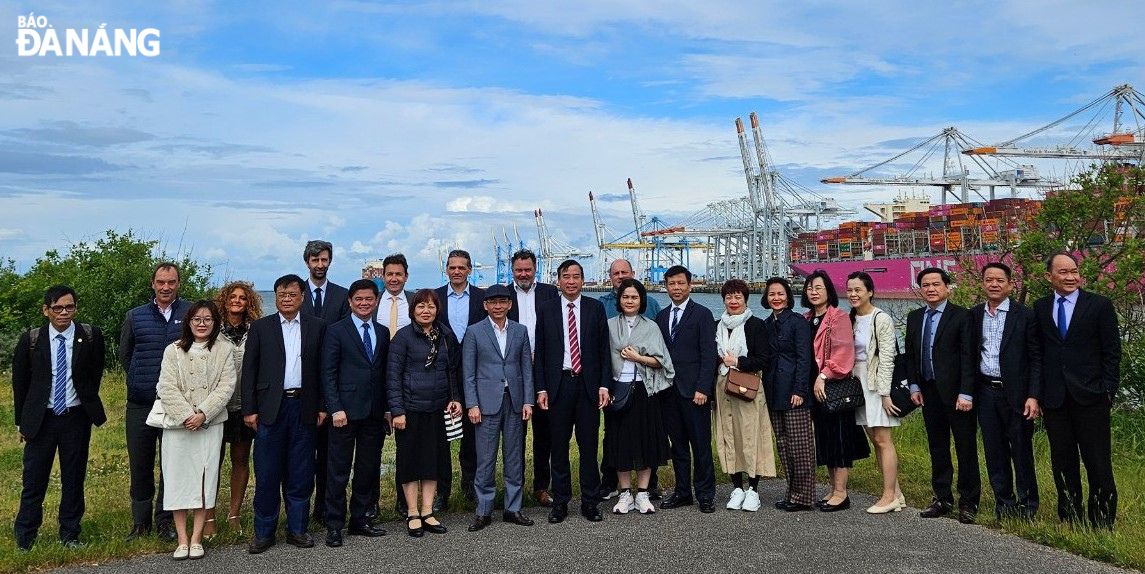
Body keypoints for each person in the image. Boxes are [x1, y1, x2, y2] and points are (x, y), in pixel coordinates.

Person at [12, 285, 107, 551]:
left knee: (73, 477)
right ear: (46, 310)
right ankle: (25, 537)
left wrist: (87, 404)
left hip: (75, 417)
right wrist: (22, 422)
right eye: (57, 308)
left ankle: (70, 534)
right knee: (34, 479)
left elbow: (94, 373)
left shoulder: (89, 336)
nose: (64, 313)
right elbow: (20, 384)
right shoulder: (31, 339)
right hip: (41, 419)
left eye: (69, 307)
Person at [1032, 252, 1120, 528]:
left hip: (1091, 397)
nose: (1071, 277)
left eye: (1074, 271)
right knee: (1063, 461)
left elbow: (1112, 353)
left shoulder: (1099, 305)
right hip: (1056, 399)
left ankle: (1102, 521)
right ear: (1049, 277)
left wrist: (1107, 390)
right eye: (1063, 272)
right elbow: (1038, 353)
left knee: (1098, 462)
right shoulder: (1041, 307)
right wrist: (1039, 393)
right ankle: (1069, 516)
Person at [242, 274, 328, 554]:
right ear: (275, 296)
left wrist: (323, 406)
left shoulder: (317, 327)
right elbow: (250, 371)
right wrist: (250, 409)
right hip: (270, 409)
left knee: (301, 472)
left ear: (303, 297)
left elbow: (324, 371)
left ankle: (297, 529)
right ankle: (264, 532)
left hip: (304, 407)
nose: (286, 298)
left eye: (292, 294)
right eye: (281, 294)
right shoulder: (260, 327)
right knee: (267, 472)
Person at [156, 301, 237, 560]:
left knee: (204, 478)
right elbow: (165, 386)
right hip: (178, 426)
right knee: (178, 478)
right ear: (188, 322)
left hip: (210, 424)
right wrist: (186, 416)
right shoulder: (173, 350)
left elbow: (226, 387)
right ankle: (181, 539)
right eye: (197, 319)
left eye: (208, 319)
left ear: (215, 323)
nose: (202, 324)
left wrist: (202, 414)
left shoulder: (225, 350)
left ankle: (197, 537)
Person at [533, 259, 612, 523]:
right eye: (566, 276)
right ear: (558, 280)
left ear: (582, 280)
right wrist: (541, 387)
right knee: (558, 447)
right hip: (558, 385)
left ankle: (590, 502)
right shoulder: (546, 309)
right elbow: (541, 352)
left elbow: (603, 351)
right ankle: (561, 502)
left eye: (576, 276)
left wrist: (604, 385)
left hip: (588, 386)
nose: (571, 281)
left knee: (588, 446)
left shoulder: (595, 308)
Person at [120, 262, 192, 541]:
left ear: (178, 283)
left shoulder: (189, 313)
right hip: (141, 403)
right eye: (161, 282)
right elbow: (126, 355)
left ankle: (165, 520)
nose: (166, 287)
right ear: (153, 283)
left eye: (171, 282)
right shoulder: (135, 316)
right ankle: (140, 523)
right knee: (140, 463)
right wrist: (140, 380)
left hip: (176, 404)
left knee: (170, 465)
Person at [906, 267, 979, 524]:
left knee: (965, 447)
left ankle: (968, 501)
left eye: (936, 284)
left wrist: (967, 392)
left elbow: (969, 357)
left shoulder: (962, 316)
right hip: (928, 392)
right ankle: (942, 497)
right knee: (937, 447)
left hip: (958, 394)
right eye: (926, 285)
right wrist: (913, 387)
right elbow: (912, 357)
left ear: (947, 287)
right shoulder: (915, 318)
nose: (931, 289)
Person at [387, 289, 463, 537]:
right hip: (409, 410)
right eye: (421, 306)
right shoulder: (403, 337)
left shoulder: (445, 336)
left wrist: (454, 398)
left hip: (436, 408)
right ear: (413, 310)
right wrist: (397, 410)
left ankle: (428, 511)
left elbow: (451, 370)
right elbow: (393, 376)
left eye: (430, 306)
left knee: (432, 462)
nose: (426, 310)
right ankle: (412, 512)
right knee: (410, 462)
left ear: (437, 310)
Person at [321, 279, 391, 547]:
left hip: (373, 413)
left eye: (369, 299)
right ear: (350, 302)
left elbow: (383, 373)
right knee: (338, 471)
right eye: (359, 299)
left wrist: (386, 408)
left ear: (376, 302)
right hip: (344, 413)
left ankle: (360, 520)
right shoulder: (336, 331)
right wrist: (335, 408)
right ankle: (334, 524)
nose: (364, 303)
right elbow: (328, 373)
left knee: (367, 469)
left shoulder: (383, 332)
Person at [462, 284, 536, 531]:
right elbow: (468, 373)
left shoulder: (520, 330)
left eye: (502, 302)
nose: (497, 306)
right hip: (485, 403)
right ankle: (483, 510)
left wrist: (528, 400)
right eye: (492, 302)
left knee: (514, 457)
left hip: (514, 401)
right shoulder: (474, 332)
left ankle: (513, 508)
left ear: (509, 304)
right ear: (485, 305)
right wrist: (471, 404)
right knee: (485, 459)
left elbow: (526, 368)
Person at [971, 262, 1041, 521]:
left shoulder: (1025, 315)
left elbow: (1036, 358)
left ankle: (1028, 505)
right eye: (989, 279)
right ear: (983, 284)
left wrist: (1034, 395)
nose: (994, 284)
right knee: (994, 450)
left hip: (1018, 395)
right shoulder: (975, 314)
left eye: (1000, 280)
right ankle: (1004, 503)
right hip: (986, 392)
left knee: (1022, 451)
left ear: (1010, 284)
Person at [605, 279, 674, 515]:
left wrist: (638, 358)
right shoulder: (610, 326)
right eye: (625, 297)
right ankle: (625, 493)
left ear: (641, 300)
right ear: (619, 300)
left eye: (634, 297)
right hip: (618, 389)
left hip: (645, 389)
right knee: (620, 442)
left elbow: (662, 361)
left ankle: (643, 493)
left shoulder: (651, 326)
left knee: (647, 441)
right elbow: (603, 360)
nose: (630, 301)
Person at [803, 270, 869, 512]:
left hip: (833, 387)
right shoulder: (807, 318)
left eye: (819, 287)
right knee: (826, 439)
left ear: (829, 291)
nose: (814, 291)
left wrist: (823, 376)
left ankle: (842, 493)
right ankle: (832, 490)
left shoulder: (838, 318)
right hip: (815, 389)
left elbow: (843, 354)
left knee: (839, 439)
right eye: (810, 287)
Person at [655, 265, 718, 513]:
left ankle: (705, 494)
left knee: (701, 445)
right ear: (666, 286)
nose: (676, 288)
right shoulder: (661, 317)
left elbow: (708, 354)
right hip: (669, 392)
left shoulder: (702, 314)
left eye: (681, 283)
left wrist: (704, 388)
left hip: (695, 393)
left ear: (689, 285)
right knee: (678, 445)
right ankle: (683, 492)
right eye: (672, 284)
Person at [597, 258, 662, 500]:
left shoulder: (652, 305)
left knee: (648, 432)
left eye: (625, 272)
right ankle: (611, 482)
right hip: (616, 382)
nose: (621, 276)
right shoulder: (601, 306)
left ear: (633, 273)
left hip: (645, 382)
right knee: (614, 434)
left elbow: (659, 344)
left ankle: (649, 485)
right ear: (610, 276)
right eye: (616, 273)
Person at [299, 240, 350, 527]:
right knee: (303, 454)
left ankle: (325, 509)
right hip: (302, 382)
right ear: (307, 261)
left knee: (331, 456)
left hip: (332, 383)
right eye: (315, 260)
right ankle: (300, 511)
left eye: (324, 260)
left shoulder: (342, 296)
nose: (320, 265)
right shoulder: (297, 293)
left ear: (330, 261)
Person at [713, 279, 775, 512]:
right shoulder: (717, 325)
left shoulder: (755, 325)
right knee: (729, 435)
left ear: (745, 299)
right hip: (722, 386)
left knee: (750, 436)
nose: (733, 301)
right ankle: (737, 487)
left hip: (747, 385)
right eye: (729, 297)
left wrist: (737, 361)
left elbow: (764, 359)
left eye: (738, 297)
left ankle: (753, 490)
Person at [845, 272, 904, 514]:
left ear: (870, 291)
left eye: (858, 290)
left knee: (883, 440)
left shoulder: (881, 319)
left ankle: (888, 497)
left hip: (877, 385)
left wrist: (885, 393)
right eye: (849, 290)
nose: (853, 294)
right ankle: (896, 493)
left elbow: (888, 359)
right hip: (859, 384)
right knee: (875, 440)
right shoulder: (851, 318)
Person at [208, 281, 262, 535]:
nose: (237, 301)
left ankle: (234, 514)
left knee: (240, 460)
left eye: (242, 297)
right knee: (211, 462)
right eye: (233, 296)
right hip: (216, 406)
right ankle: (207, 516)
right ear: (225, 299)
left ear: (248, 301)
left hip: (244, 405)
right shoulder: (212, 329)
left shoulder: (256, 331)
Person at [506, 248, 559, 508]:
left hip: (544, 372)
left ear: (535, 268)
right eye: (519, 270)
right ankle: (513, 491)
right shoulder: (503, 295)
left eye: (527, 269)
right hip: (514, 374)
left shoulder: (550, 293)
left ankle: (541, 487)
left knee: (544, 435)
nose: (523, 274)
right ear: (512, 271)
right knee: (515, 436)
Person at [435, 249, 487, 506]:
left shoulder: (481, 298)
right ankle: (442, 491)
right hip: (441, 375)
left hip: (475, 374)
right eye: (452, 267)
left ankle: (471, 486)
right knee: (442, 435)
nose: (456, 271)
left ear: (469, 270)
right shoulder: (434, 297)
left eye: (461, 267)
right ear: (446, 269)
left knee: (472, 434)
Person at [761, 277, 815, 512]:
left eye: (780, 294)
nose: (776, 298)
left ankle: (804, 497)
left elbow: (805, 359)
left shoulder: (798, 323)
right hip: (773, 390)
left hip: (794, 391)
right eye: (772, 294)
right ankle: (791, 492)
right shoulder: (766, 324)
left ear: (788, 296)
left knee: (800, 445)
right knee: (783, 444)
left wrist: (800, 390)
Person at [378, 253, 416, 517]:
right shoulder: (370, 301)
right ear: (383, 276)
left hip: (409, 384)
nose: (394, 278)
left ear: (406, 276)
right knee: (372, 447)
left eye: (398, 274)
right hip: (375, 382)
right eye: (389, 274)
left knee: (409, 446)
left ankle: (406, 505)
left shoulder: (417, 303)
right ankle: (370, 506)